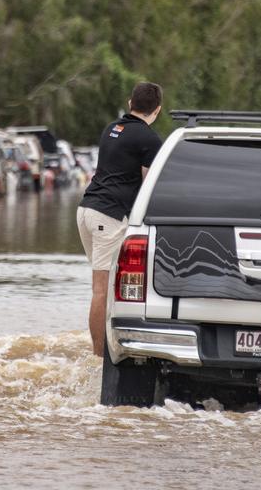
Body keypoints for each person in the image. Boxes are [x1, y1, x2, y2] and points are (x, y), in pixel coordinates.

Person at [76, 81, 163, 357]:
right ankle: (100, 358)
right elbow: (149, 186)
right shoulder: (149, 139)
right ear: (157, 110)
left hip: (86, 211)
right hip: (109, 217)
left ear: (130, 104)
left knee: (108, 285)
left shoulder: (112, 129)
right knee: (102, 291)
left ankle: (104, 350)